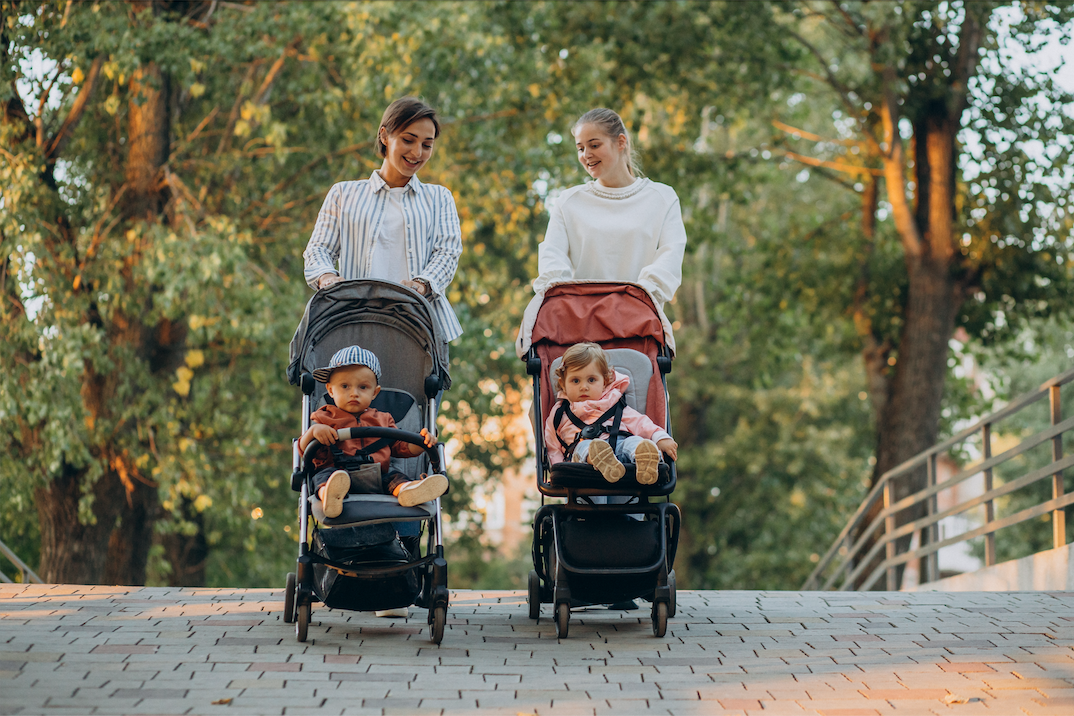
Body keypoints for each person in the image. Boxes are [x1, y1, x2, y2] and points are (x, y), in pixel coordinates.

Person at [303, 96, 463, 343]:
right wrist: (327, 278)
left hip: (417, 328)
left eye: (427, 145)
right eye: (408, 140)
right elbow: (318, 249)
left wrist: (421, 284)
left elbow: (448, 252)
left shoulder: (440, 198)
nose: (417, 153)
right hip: (350, 323)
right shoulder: (344, 194)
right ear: (384, 136)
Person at [299, 345, 448, 518]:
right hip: (337, 473)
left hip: (378, 474)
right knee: (323, 477)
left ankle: (409, 491)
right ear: (331, 390)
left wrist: (422, 443)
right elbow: (304, 451)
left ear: (374, 392)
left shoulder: (383, 419)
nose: (354, 393)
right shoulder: (323, 418)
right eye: (345, 386)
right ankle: (329, 497)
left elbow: (401, 448)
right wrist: (313, 432)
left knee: (395, 477)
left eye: (363, 387)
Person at [545, 343, 678, 485]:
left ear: (604, 382)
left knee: (633, 442)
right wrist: (557, 470)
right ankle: (597, 457)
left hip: (620, 457)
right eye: (575, 381)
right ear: (563, 383)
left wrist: (659, 437)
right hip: (582, 466)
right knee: (585, 447)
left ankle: (645, 458)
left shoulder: (614, 403)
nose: (584, 387)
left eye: (591, 380)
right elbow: (552, 445)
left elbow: (640, 423)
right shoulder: (560, 412)